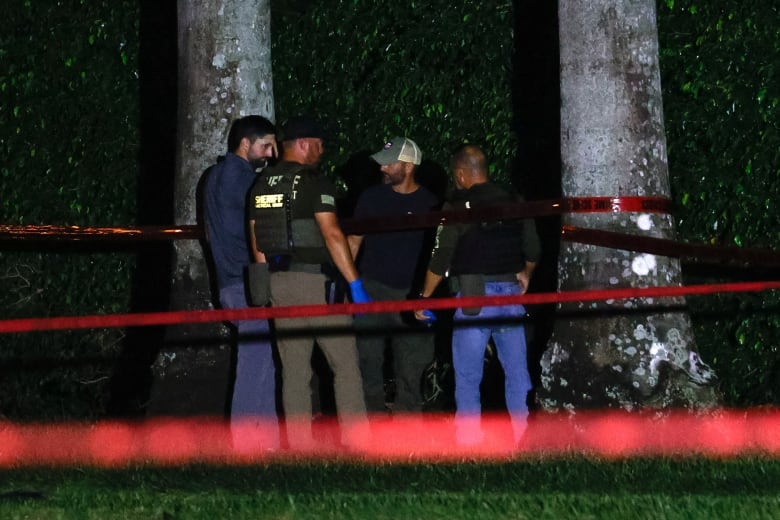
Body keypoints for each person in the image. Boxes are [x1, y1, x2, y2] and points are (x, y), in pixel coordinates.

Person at [247, 115, 370, 450]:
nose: (322, 150)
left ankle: (300, 448)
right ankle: (358, 444)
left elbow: (257, 238)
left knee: (294, 370)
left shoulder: (260, 183)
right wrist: (355, 283)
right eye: (319, 143)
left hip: (279, 284)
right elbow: (332, 234)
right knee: (344, 364)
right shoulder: (315, 182)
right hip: (316, 284)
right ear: (303, 144)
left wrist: (264, 283)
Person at [414, 144, 540, 446]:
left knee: (469, 377)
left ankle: (469, 441)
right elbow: (534, 248)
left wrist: (424, 296)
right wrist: (526, 274)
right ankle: (524, 438)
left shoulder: (455, 207)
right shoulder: (514, 200)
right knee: (517, 373)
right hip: (510, 296)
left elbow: (441, 256)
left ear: (460, 173)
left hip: (472, 299)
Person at [202, 115, 280, 451]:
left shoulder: (213, 176)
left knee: (259, 357)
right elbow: (254, 229)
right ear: (245, 144)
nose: (270, 154)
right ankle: (246, 441)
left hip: (228, 281)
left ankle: (262, 439)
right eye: (266, 146)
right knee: (255, 361)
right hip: (245, 281)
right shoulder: (243, 180)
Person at [347, 137, 440, 414]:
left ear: (409, 166)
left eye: (389, 164)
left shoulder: (430, 203)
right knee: (366, 361)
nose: (383, 169)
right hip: (372, 290)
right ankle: (370, 424)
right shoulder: (370, 198)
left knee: (413, 365)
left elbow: (440, 253)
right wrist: (350, 285)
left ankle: (406, 430)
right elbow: (353, 241)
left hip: (410, 295)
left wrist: (430, 296)